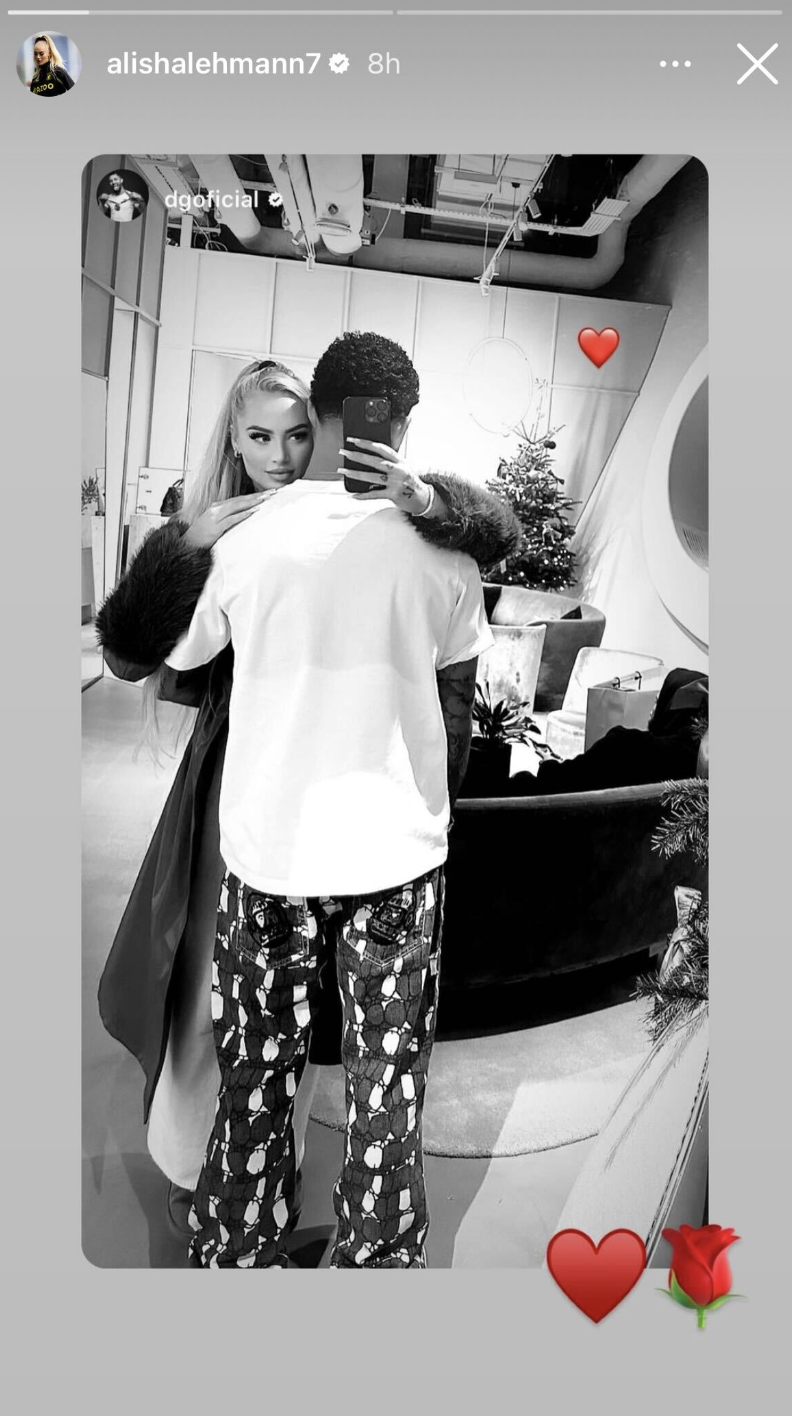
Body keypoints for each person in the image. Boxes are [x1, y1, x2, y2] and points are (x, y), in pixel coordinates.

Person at [96, 339, 521, 1245]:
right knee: (381, 1083)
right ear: (401, 422)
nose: (282, 454)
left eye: (295, 433)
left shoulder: (254, 544)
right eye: (260, 436)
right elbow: (458, 694)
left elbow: (167, 655)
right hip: (375, 850)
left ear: (321, 416)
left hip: (273, 850)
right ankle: (371, 1259)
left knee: (256, 1069)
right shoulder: (435, 555)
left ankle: (238, 1242)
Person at [507, 668, 709, 796]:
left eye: (658, 702)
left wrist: (548, 765)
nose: (651, 711)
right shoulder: (702, 774)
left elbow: (560, 783)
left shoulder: (628, 747)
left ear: (671, 707)